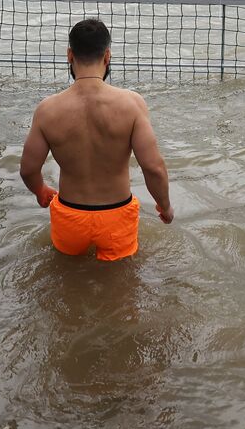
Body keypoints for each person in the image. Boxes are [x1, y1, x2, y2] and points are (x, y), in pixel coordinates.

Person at [20, 19, 173, 261]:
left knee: (66, 279)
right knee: (122, 288)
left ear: (70, 55)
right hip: (117, 215)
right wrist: (164, 206)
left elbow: (28, 169)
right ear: (107, 55)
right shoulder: (131, 104)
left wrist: (40, 191)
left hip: (70, 215)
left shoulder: (47, 110)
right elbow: (153, 167)